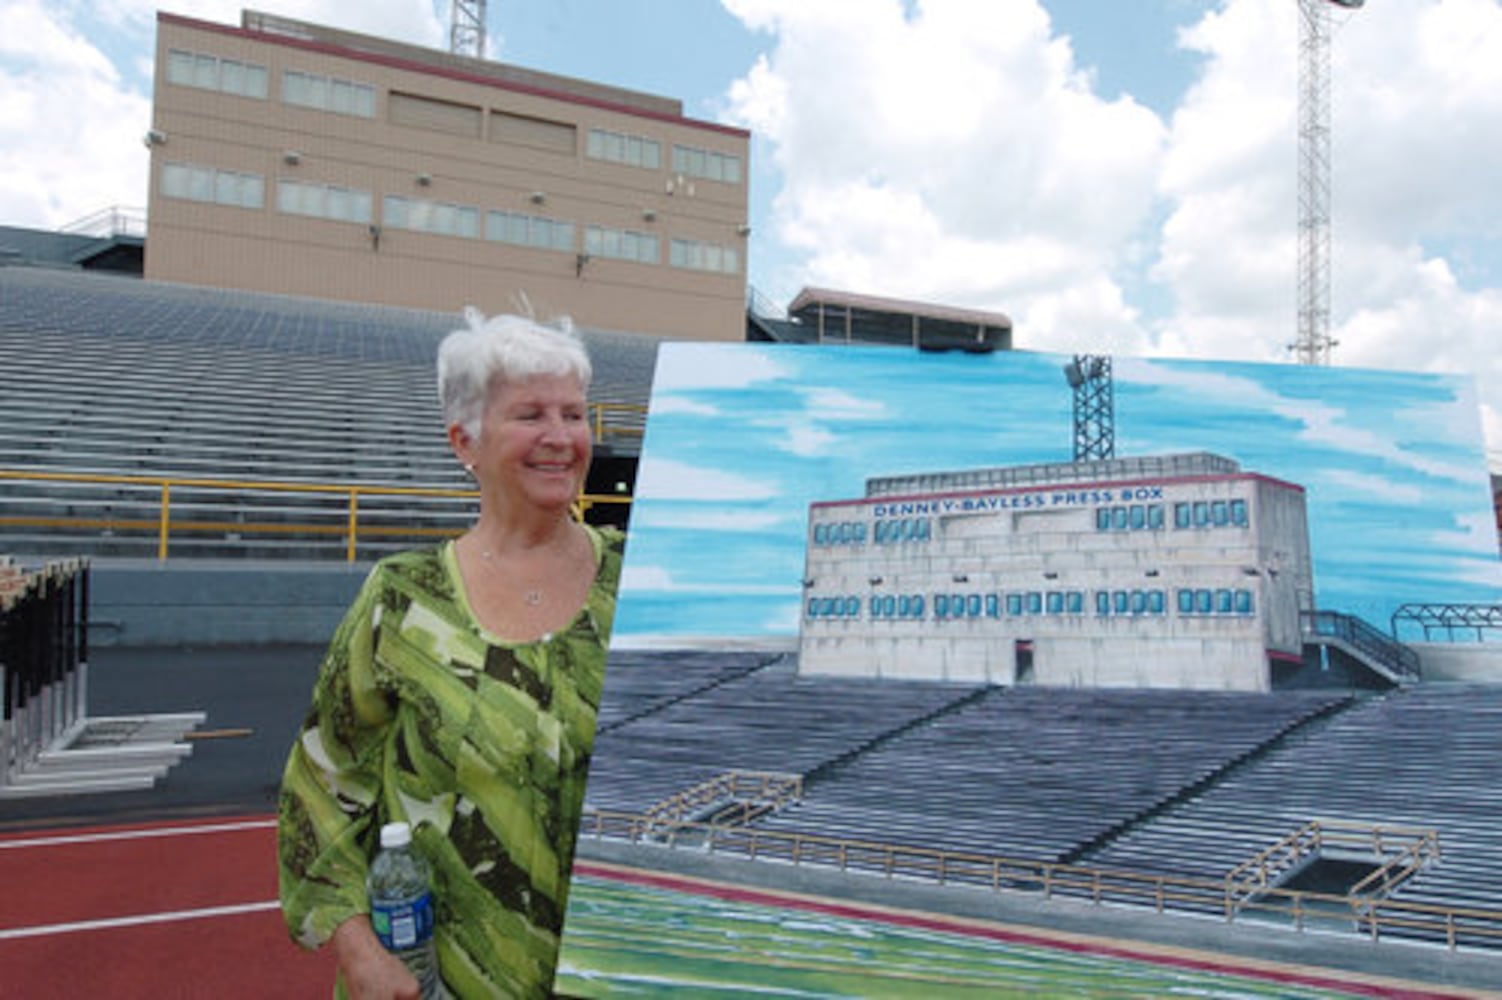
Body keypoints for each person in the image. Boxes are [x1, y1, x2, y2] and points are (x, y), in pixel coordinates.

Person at [277, 308, 624, 999]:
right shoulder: (404, 597)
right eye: (531, 415)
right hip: (443, 983)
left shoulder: (644, 582)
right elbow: (321, 784)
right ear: (464, 439)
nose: (561, 437)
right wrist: (360, 953)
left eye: (574, 414)